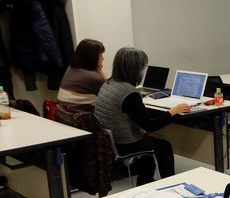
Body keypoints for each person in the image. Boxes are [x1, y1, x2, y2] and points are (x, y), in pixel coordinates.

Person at [95, 47, 190, 186]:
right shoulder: (129, 93)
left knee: (148, 145)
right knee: (163, 146)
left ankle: (145, 180)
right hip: (123, 144)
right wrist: (172, 112)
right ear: (136, 69)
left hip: (108, 141)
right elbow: (150, 125)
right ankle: (171, 184)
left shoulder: (108, 84)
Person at [57, 39, 107, 112]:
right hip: (77, 117)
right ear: (92, 58)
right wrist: (102, 75)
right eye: (100, 55)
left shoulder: (71, 68)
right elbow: (110, 100)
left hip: (61, 114)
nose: (103, 58)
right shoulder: (95, 78)